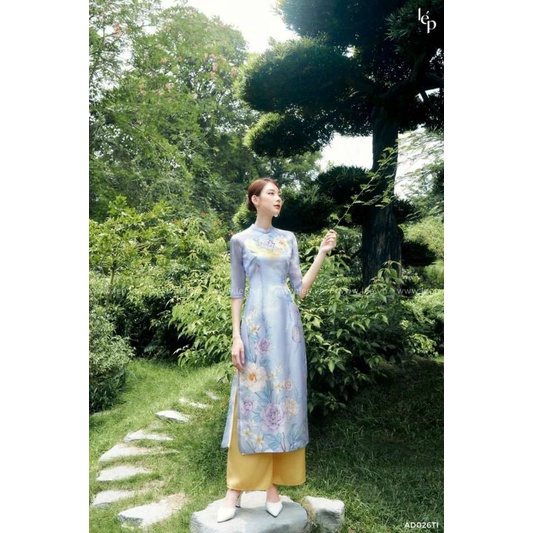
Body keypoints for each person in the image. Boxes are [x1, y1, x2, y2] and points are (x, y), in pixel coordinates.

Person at [217, 177, 337, 523]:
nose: (278, 198)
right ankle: (235, 489)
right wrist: (236, 337)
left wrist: (321, 253)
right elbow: (236, 291)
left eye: (279, 194)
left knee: (284, 399)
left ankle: (273, 487)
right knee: (252, 399)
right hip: (255, 326)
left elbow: (300, 288)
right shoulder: (240, 241)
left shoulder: (289, 239)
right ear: (255, 200)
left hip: (287, 329)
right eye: (271, 193)